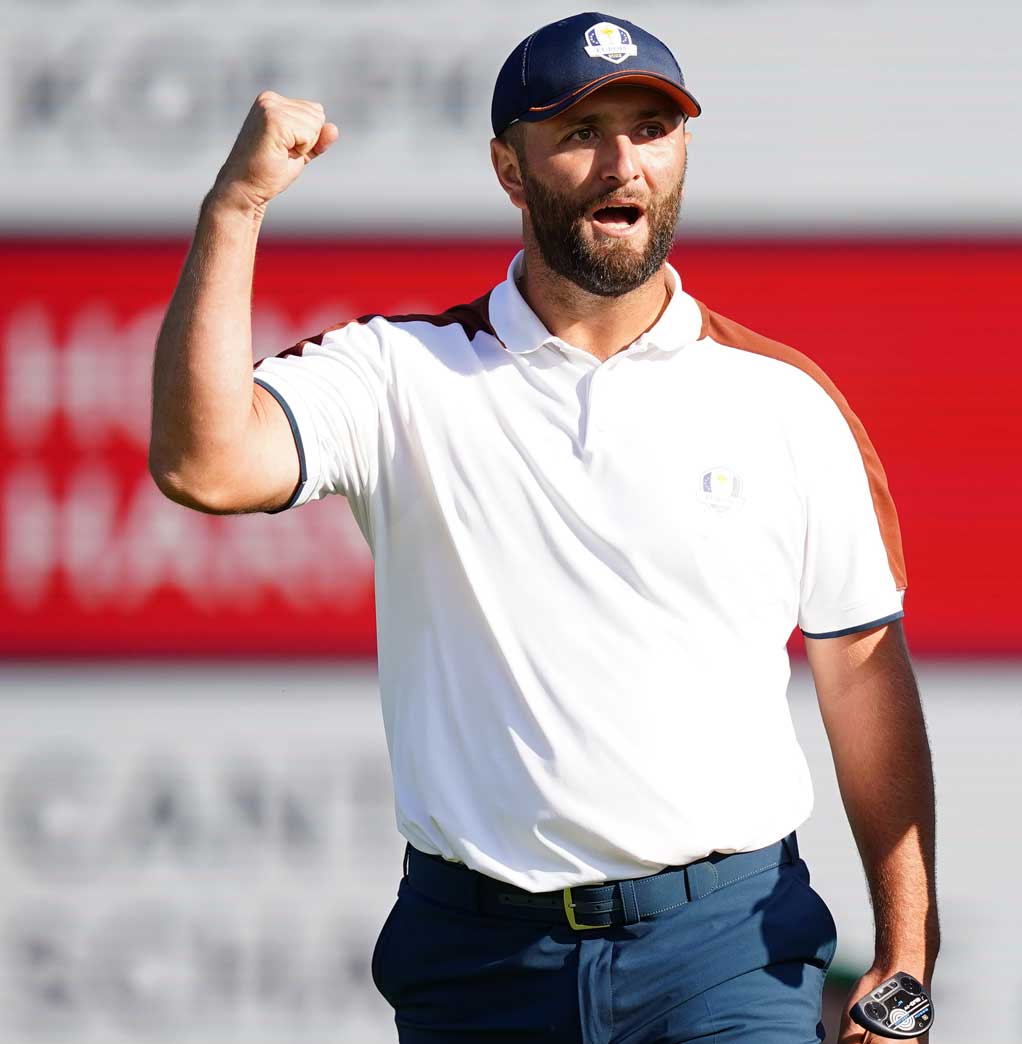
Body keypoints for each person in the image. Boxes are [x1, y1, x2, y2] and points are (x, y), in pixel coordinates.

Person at [147, 13, 937, 1043]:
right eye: (580, 132)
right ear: (508, 171)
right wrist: (237, 206)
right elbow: (201, 463)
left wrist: (906, 954)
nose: (623, 162)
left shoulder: (784, 401)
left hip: (725, 949)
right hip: (479, 958)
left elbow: (864, 676)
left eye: (652, 128)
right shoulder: (399, 371)